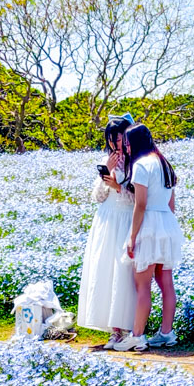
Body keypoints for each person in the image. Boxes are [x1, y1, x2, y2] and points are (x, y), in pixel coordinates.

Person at [113, 124, 183, 351]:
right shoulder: (165, 164)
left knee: (142, 285)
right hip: (167, 224)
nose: (127, 148)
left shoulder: (141, 165)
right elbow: (171, 205)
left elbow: (141, 204)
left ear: (135, 143)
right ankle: (166, 333)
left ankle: (137, 336)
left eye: (127, 144)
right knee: (166, 283)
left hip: (149, 224)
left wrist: (132, 236)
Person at [77, 115, 137, 348]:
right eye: (111, 140)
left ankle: (128, 327)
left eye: (119, 139)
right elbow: (98, 197)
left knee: (123, 274)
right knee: (106, 271)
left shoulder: (135, 161)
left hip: (126, 219)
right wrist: (107, 175)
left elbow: (138, 199)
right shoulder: (107, 160)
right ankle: (114, 331)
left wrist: (118, 186)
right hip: (106, 219)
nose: (115, 145)